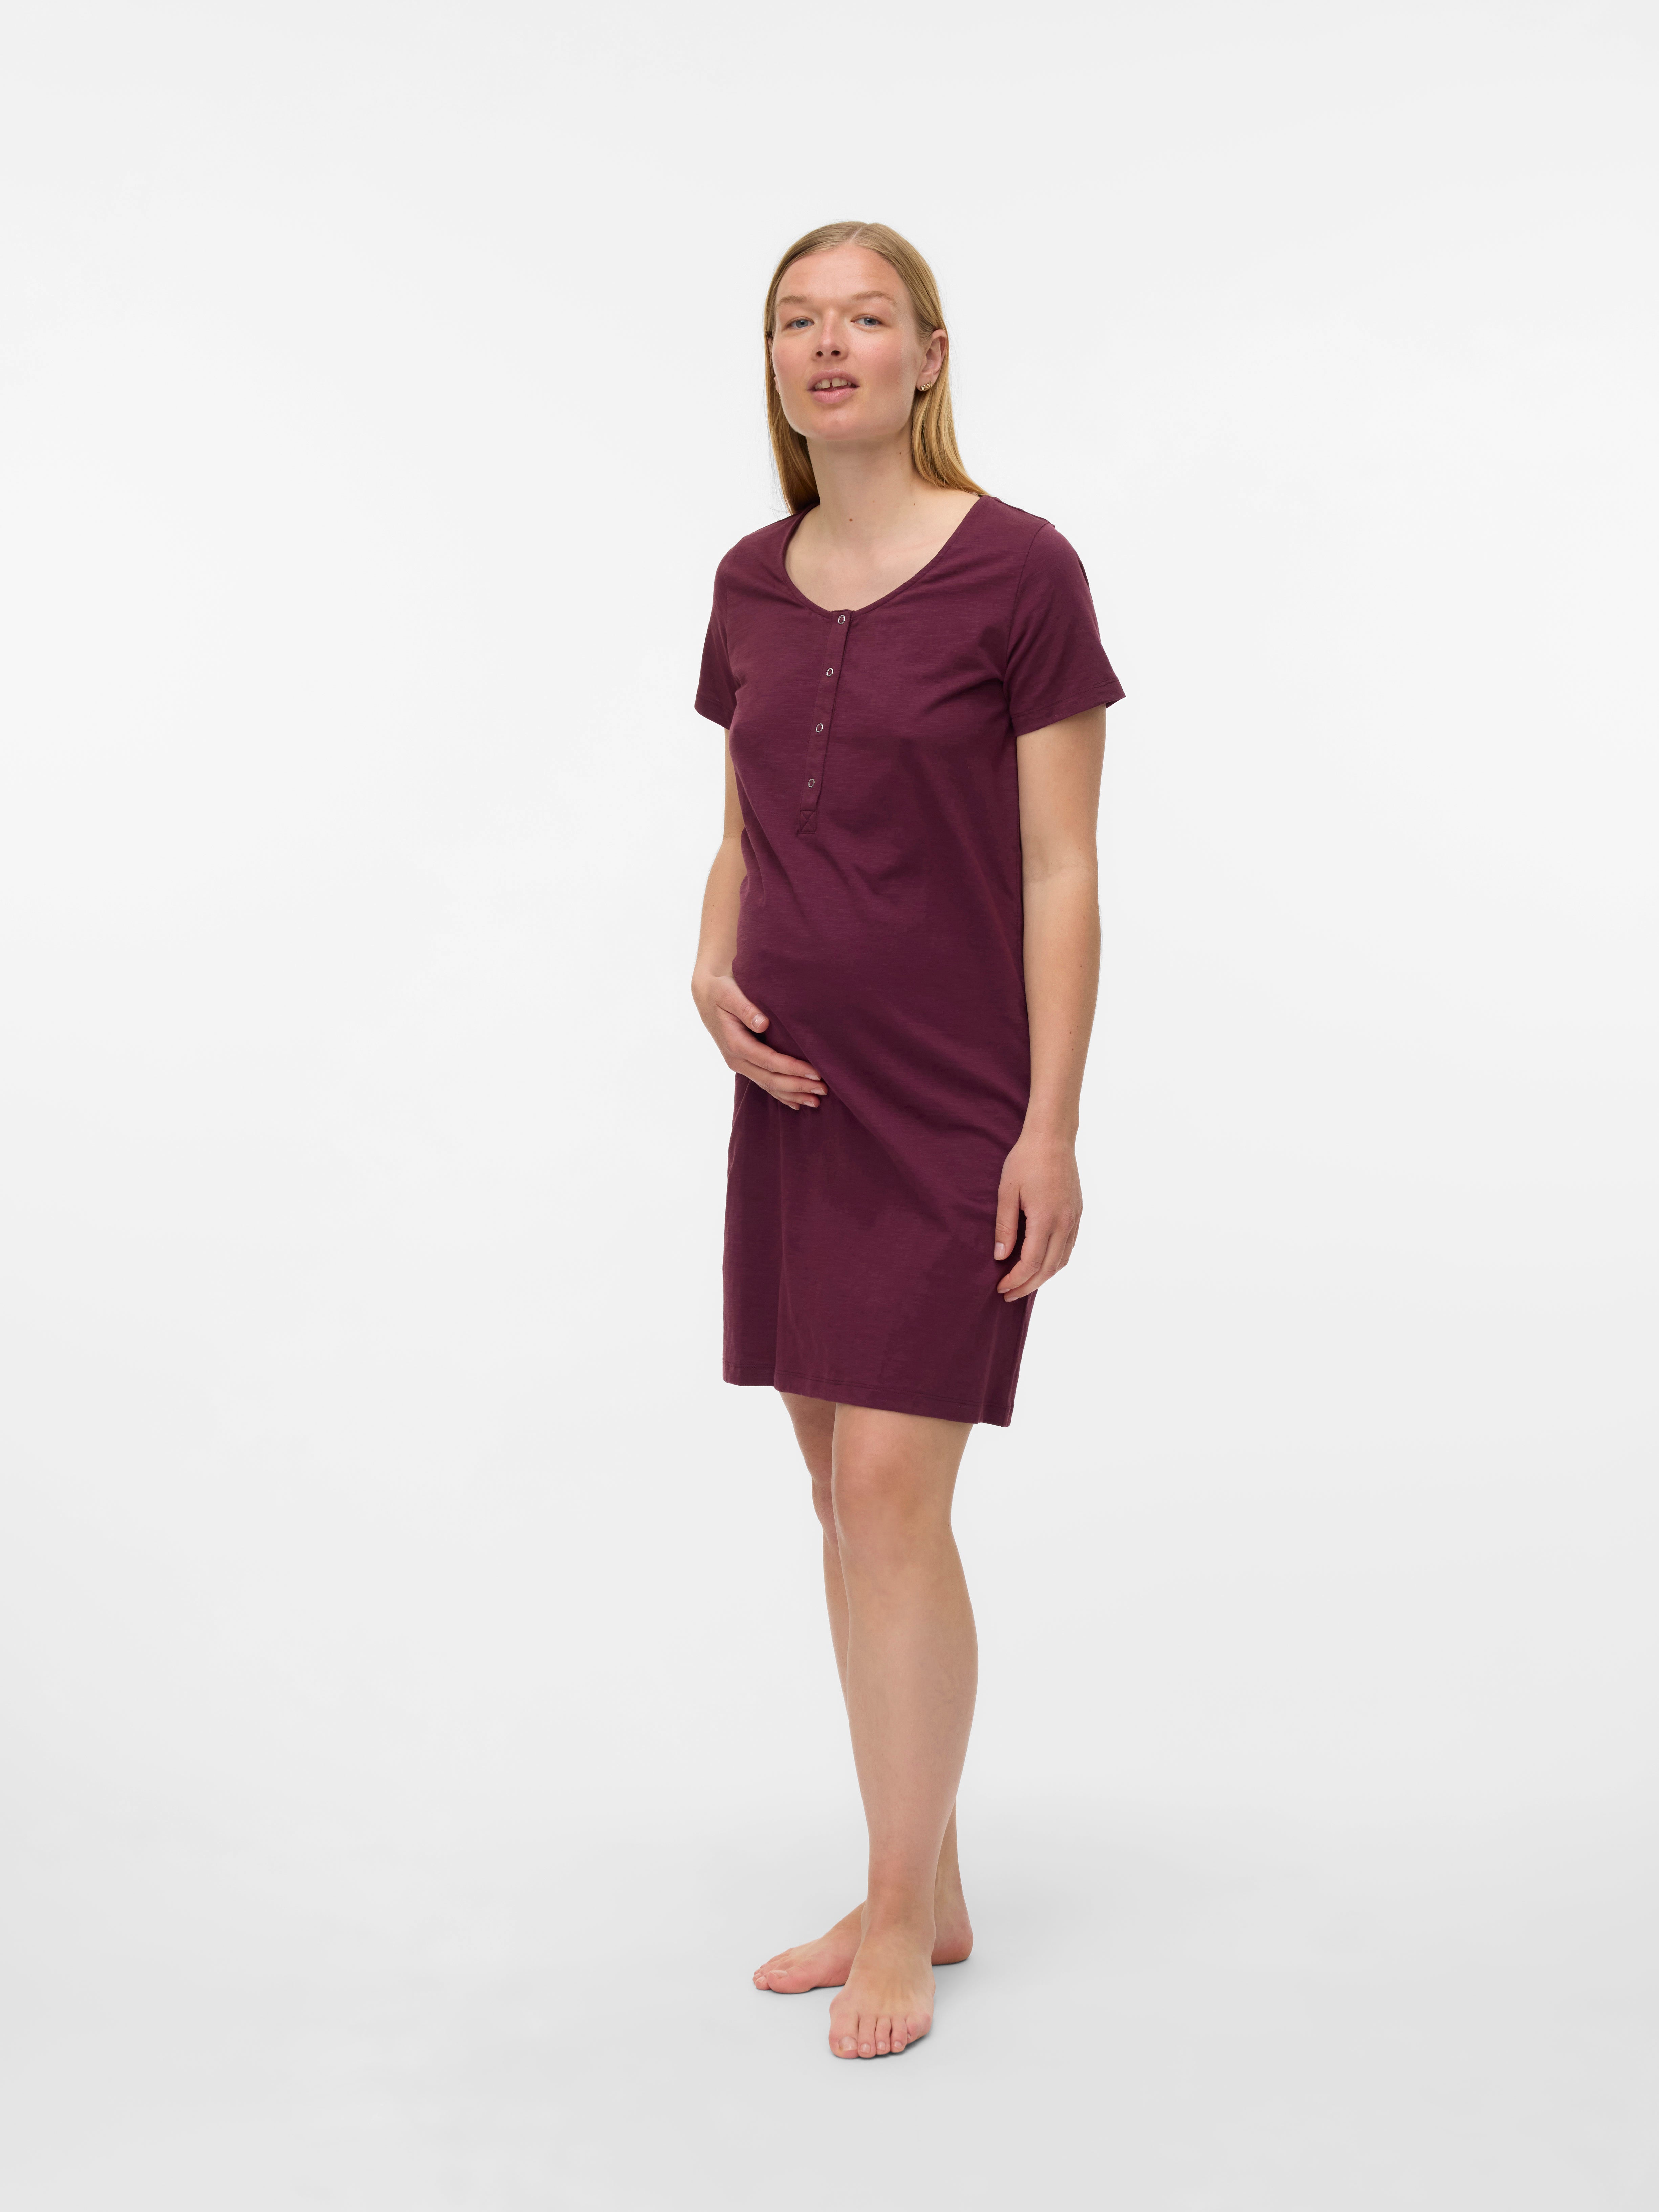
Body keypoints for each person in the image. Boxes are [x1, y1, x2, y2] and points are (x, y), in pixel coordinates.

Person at [690, 221, 1124, 2061]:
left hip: (955, 1105)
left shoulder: (1021, 570)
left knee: (890, 1496)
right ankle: (920, 1877)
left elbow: (1061, 866)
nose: (829, 345)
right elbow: (739, 827)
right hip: (793, 1098)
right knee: (837, 1496)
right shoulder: (748, 577)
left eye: (866, 317)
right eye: (798, 320)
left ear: (929, 356)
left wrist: (1050, 1126)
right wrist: (708, 966)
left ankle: (893, 1920)